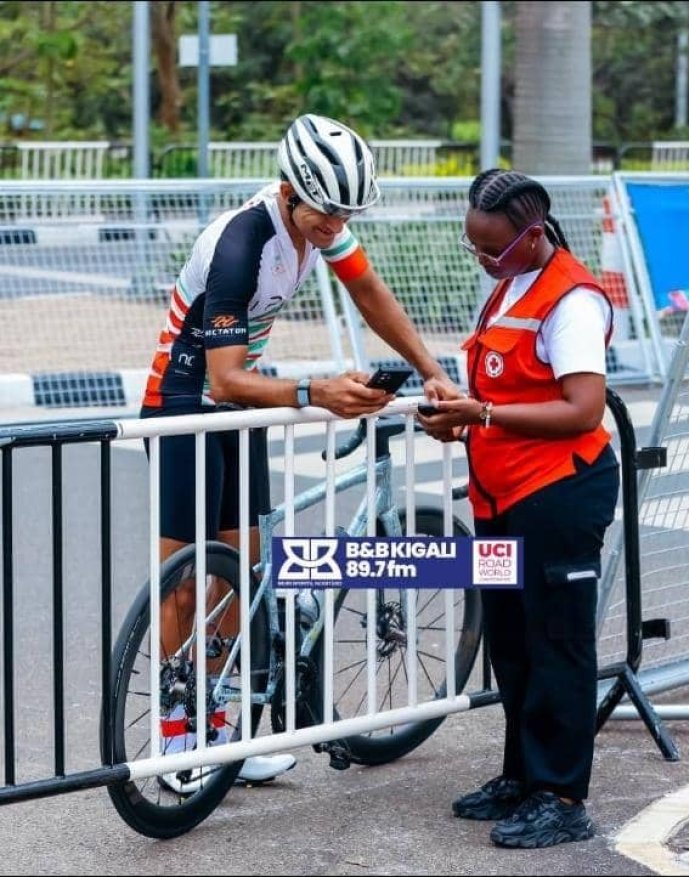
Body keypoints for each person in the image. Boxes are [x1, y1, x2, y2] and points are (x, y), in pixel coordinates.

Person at [141, 113, 460, 787]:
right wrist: (317, 390)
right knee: (186, 583)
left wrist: (429, 367)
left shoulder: (323, 227)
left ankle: (219, 730)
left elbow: (370, 294)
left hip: (238, 409)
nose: (336, 226)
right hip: (182, 406)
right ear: (289, 189)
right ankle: (176, 739)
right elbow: (223, 375)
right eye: (326, 212)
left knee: (243, 578)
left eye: (347, 213)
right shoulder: (242, 242)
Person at [417, 169, 619, 849]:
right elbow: (497, 398)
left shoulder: (573, 302)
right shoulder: (510, 286)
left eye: (492, 249)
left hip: (559, 495)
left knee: (557, 641)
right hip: (502, 496)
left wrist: (485, 412)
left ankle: (561, 795)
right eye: (474, 247)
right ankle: (521, 775)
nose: (482, 260)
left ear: (532, 236)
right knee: (511, 637)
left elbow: (581, 408)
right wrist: (461, 420)